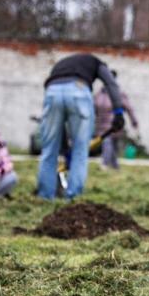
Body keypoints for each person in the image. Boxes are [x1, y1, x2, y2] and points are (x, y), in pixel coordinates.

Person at [37, 53, 125, 199]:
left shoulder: (61, 65)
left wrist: (65, 151)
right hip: (78, 90)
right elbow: (111, 84)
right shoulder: (97, 62)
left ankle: (45, 196)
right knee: (80, 150)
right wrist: (118, 111)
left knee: (49, 149)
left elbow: (60, 130)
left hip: (52, 91)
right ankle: (73, 198)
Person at [94, 70, 139, 170]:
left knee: (111, 145)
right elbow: (93, 108)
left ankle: (111, 165)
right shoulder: (99, 94)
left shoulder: (119, 94)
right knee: (107, 143)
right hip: (101, 125)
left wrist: (134, 121)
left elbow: (129, 108)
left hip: (114, 124)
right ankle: (109, 164)